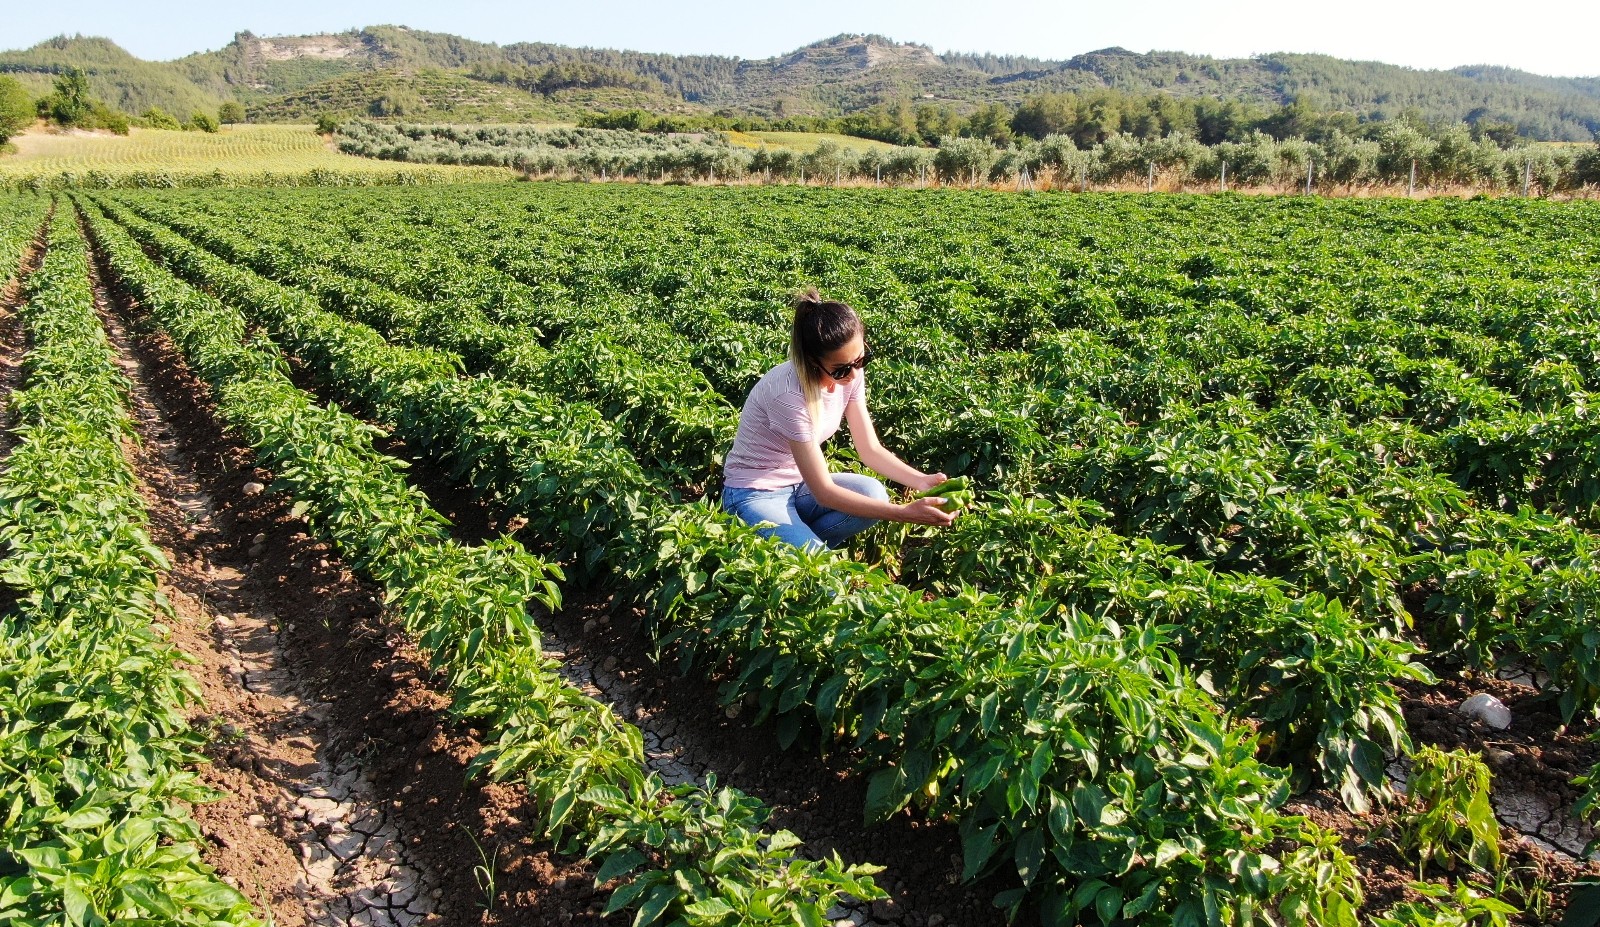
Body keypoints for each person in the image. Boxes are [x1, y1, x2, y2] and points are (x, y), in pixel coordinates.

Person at [720, 287, 957, 552]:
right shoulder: (788, 395)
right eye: (841, 369)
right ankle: (802, 551)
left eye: (861, 360)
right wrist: (903, 512)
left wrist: (921, 481)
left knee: (873, 494)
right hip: (754, 493)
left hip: (800, 484)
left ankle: (802, 546)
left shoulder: (849, 374)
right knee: (817, 565)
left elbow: (870, 449)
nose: (854, 375)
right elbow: (824, 492)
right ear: (812, 362)